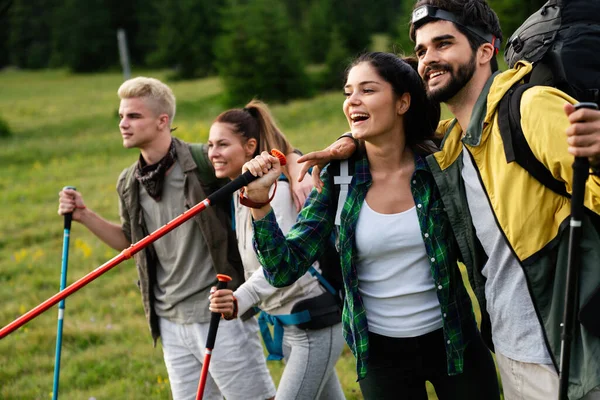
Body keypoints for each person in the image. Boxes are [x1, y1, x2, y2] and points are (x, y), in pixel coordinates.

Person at [301, 1, 600, 399]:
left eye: (443, 44)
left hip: (565, 354)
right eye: (422, 50)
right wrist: (347, 142)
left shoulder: (529, 108)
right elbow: (390, 132)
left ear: (485, 51)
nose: (429, 59)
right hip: (512, 351)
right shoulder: (453, 144)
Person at [239, 52, 500, 399]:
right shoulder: (339, 178)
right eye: (348, 92)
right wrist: (259, 203)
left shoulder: (440, 164)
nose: (352, 101)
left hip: (454, 340)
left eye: (367, 90)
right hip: (379, 354)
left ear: (402, 102)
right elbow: (282, 269)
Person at [56, 77, 309, 400]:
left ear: (163, 121)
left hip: (219, 311)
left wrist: (297, 160)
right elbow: (132, 244)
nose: (123, 124)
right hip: (169, 319)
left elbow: (256, 156)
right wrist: (83, 215)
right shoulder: (128, 182)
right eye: (121, 116)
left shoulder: (202, 161)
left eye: (133, 116)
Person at [205, 99, 345, 400]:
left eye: (222, 144)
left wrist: (239, 298)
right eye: (209, 145)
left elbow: (281, 266)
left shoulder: (276, 192)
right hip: (292, 325)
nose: (213, 153)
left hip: (313, 323)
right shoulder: (239, 194)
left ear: (249, 146)